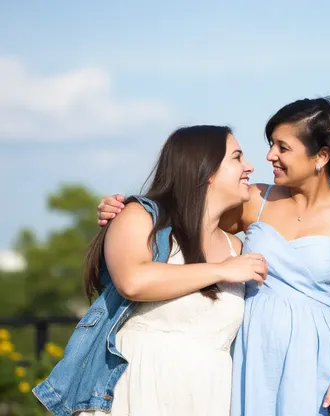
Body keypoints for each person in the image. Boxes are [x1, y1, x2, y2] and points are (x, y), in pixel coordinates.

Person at [97, 97, 330, 416]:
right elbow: (189, 214)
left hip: (315, 355)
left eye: (282, 147)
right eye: (271, 144)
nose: (269, 155)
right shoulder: (255, 200)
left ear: (322, 156)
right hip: (252, 350)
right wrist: (133, 210)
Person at [34, 125, 269, 416]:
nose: (250, 166)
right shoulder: (141, 218)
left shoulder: (236, 248)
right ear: (206, 170)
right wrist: (220, 271)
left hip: (208, 395)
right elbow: (133, 281)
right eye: (237, 157)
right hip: (139, 388)